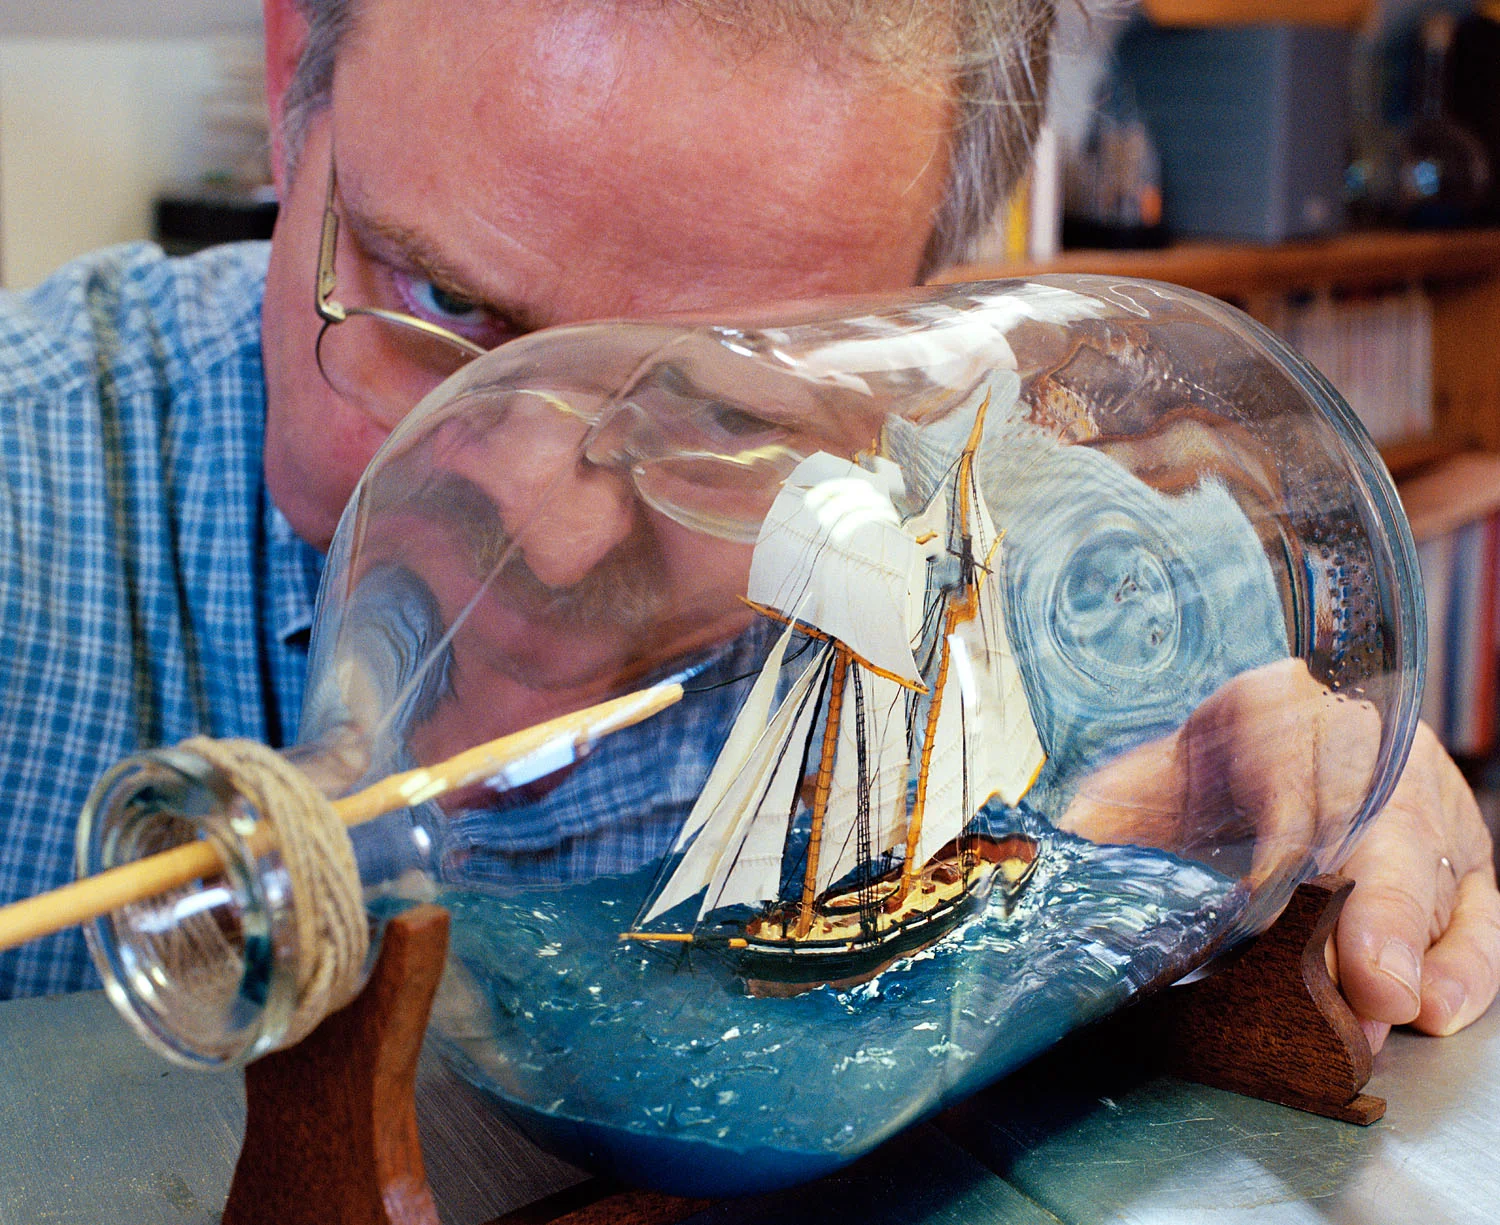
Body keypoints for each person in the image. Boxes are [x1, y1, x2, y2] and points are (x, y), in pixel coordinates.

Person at [0, 0, 1492, 1064]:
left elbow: (1317, 721)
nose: (553, 532)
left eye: (717, 406)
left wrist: (1355, 785)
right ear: (291, 80)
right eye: (445, 306)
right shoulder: (34, 499)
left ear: (920, 324)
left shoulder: (1033, 560)